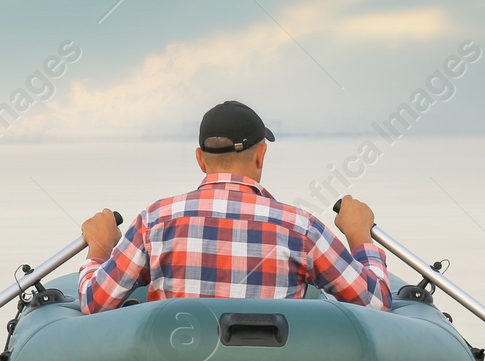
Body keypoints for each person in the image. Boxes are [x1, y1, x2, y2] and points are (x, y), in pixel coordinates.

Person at [78, 100, 391, 315]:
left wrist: (99, 250)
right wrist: (360, 236)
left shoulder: (154, 221)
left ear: (200, 159)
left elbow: (95, 303)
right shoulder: (301, 228)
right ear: (260, 155)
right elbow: (375, 304)